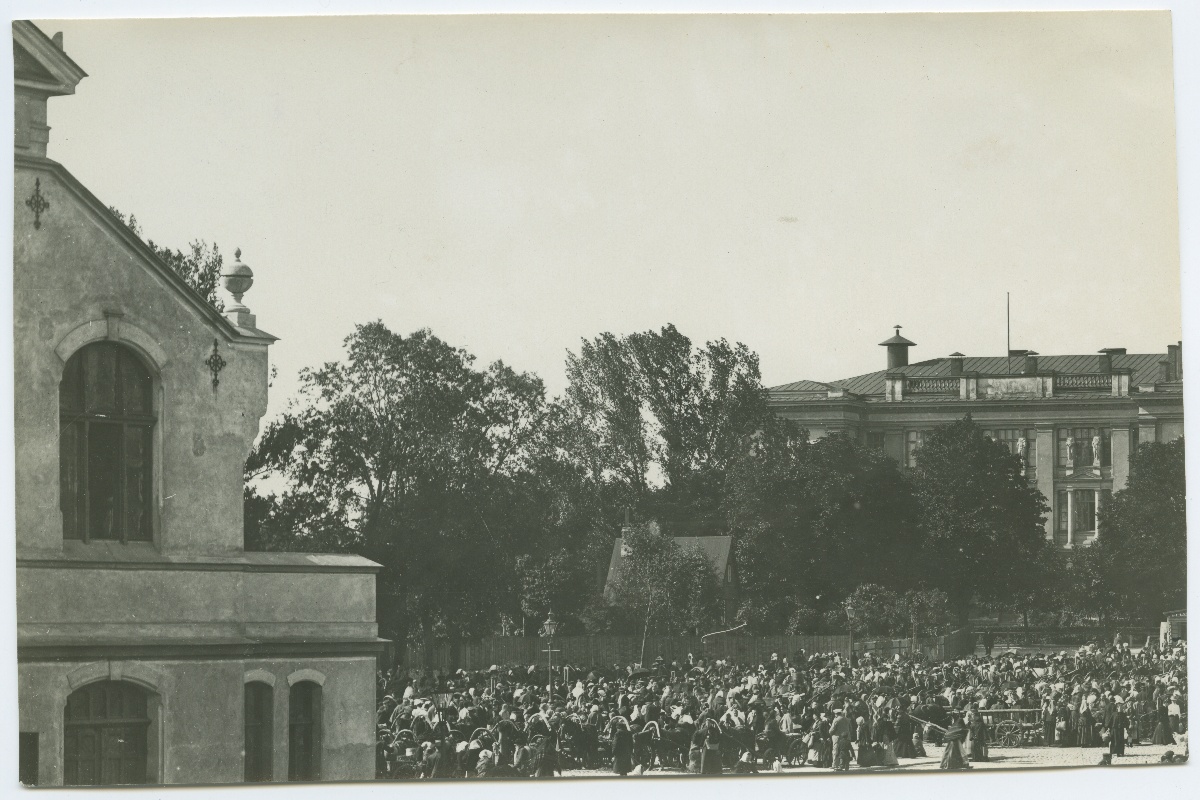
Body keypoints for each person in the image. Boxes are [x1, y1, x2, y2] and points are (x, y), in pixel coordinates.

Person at [831, 707, 853, 771]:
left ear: (836, 714)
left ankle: (835, 764)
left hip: (837, 737)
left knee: (836, 750)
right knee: (845, 751)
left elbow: (831, 730)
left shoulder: (836, 720)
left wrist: (830, 733)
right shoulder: (848, 720)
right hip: (846, 737)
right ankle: (845, 765)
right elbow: (851, 729)